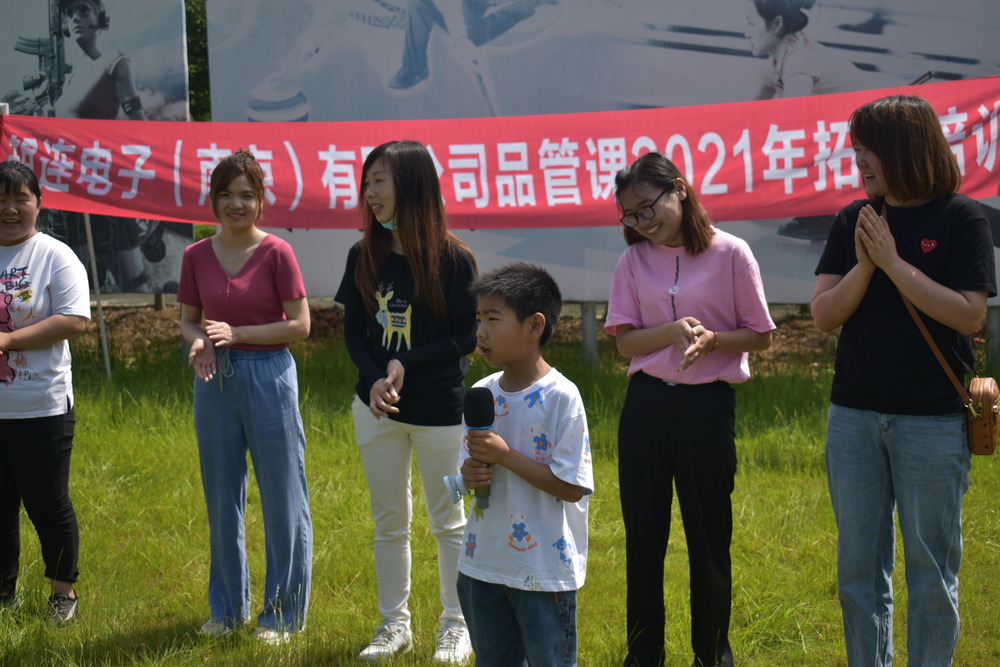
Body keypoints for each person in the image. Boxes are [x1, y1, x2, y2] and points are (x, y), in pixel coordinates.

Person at [812, 95, 995, 666]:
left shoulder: (961, 217)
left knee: (931, 572)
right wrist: (867, 264)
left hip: (933, 421)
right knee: (858, 570)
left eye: (869, 150)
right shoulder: (854, 220)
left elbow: (969, 315)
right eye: (857, 150)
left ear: (904, 149)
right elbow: (824, 315)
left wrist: (892, 263)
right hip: (854, 419)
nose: (859, 161)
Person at [606, 152, 775, 667]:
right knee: (644, 539)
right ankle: (643, 655)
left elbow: (761, 336)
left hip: (707, 409)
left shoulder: (731, 253)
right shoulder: (633, 261)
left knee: (708, 540)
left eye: (647, 206)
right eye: (631, 215)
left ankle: (712, 654)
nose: (642, 221)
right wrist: (674, 332)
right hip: (646, 408)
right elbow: (625, 343)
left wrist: (716, 340)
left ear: (679, 189)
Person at [335, 139, 478, 664]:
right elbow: (352, 332)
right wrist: (374, 378)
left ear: (413, 186)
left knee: (449, 521)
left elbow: (466, 336)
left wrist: (405, 364)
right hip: (377, 410)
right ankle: (395, 626)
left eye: (380, 182)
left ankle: (456, 625)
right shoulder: (363, 254)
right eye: (367, 181)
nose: (369, 193)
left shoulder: (454, 259)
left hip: (440, 412)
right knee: (389, 521)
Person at [177, 149, 313, 645]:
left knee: (283, 497)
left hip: (269, 375)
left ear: (260, 202)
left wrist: (239, 333)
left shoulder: (277, 252)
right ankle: (227, 609)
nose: (236, 204)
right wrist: (199, 341)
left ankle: (281, 613)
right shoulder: (195, 255)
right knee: (220, 497)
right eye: (227, 195)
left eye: (247, 195)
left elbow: (300, 324)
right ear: (213, 199)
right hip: (214, 378)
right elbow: (190, 317)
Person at [457, 261, 594, 667]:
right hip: (483, 564)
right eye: (478, 318)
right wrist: (469, 474)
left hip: (544, 573)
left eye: (493, 319)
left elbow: (572, 486)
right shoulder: (480, 392)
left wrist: (506, 456)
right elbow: (465, 472)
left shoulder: (561, 398)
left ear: (534, 326)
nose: (480, 331)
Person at [0, 160, 91, 625]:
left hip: (41, 405)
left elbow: (75, 319)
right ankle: (4, 595)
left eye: (21, 198)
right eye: (2, 199)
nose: (11, 209)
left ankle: (63, 596)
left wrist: (10, 340)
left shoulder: (55, 255)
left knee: (48, 503)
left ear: (39, 203)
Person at [743, 0, 899, 243]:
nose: (746, 32)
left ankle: (818, 216)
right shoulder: (780, 58)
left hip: (877, 134)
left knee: (791, 140)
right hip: (854, 134)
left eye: (751, 23)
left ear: (776, 24)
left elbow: (791, 121)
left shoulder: (800, 60)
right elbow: (745, 116)